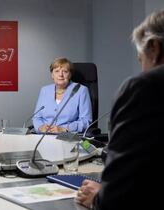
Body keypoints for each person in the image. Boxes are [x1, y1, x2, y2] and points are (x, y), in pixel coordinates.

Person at [75, 10, 164, 209]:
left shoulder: (144, 87)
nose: (143, 68)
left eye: (141, 59)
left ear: (154, 48)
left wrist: (99, 197)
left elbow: (119, 196)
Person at [32, 58, 92, 133]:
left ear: (70, 75)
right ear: (52, 75)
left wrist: (65, 129)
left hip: (67, 137)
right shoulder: (44, 90)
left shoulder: (81, 90)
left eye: (65, 71)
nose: (60, 75)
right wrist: (40, 127)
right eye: (57, 71)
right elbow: (37, 117)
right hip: (44, 136)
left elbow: (86, 121)